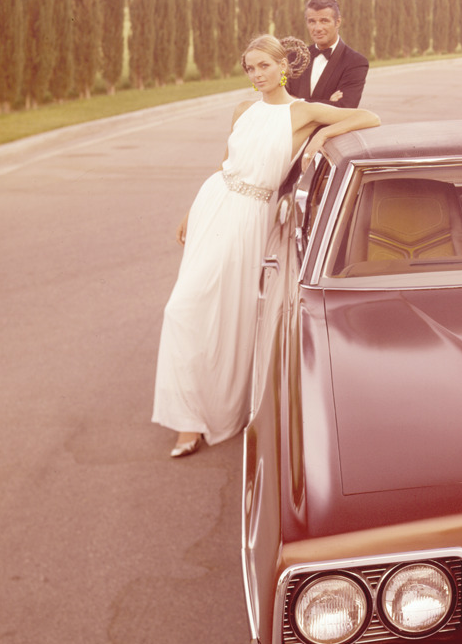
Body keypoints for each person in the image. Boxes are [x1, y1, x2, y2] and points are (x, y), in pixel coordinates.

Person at [152, 34, 381, 458]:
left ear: (283, 67)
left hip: (251, 216)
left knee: (224, 309)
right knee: (186, 307)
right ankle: (187, 420)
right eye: (250, 68)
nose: (257, 75)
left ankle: (216, 409)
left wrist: (319, 138)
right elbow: (224, 163)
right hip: (213, 204)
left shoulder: (303, 112)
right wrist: (190, 211)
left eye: (264, 66)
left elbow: (370, 117)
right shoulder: (242, 109)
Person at [286, 0, 369, 108]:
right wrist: (328, 102)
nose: (317, 28)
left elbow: (345, 107)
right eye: (312, 21)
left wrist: (296, 101)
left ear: (338, 22)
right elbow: (278, 102)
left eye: (324, 21)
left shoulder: (356, 62)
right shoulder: (293, 58)